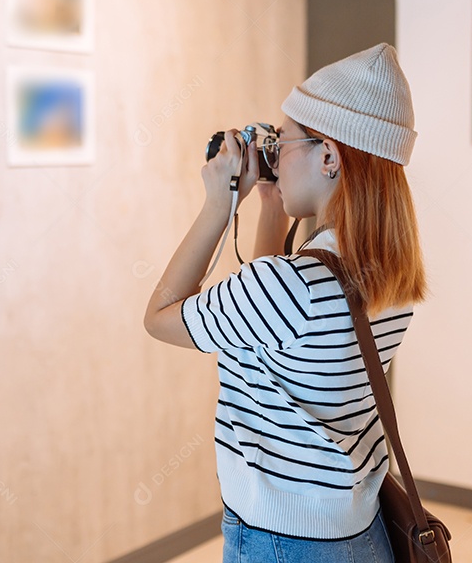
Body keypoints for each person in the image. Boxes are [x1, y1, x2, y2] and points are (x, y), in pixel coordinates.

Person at [143, 43, 427, 562]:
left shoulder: (290, 287)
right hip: (358, 531)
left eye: (286, 142)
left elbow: (160, 317)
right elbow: (272, 325)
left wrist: (217, 205)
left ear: (328, 157)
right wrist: (272, 203)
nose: (276, 156)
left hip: (281, 541)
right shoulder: (390, 278)